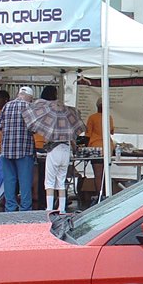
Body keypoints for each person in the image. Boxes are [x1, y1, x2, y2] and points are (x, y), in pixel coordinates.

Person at [33, 85, 84, 218]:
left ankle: (49, 208)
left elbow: (48, 137)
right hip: (66, 150)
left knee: (49, 181)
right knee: (61, 180)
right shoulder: (67, 117)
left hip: (54, 150)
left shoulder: (51, 117)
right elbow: (73, 138)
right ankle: (61, 209)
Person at [0, 86, 35, 211]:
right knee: (25, 181)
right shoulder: (29, 107)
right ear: (29, 97)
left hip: (7, 150)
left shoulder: (7, 106)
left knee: (9, 181)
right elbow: (34, 128)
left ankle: (10, 208)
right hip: (24, 150)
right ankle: (25, 209)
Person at [84, 97, 114, 199]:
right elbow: (111, 131)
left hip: (95, 148)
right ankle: (107, 194)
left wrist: (84, 148)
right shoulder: (108, 117)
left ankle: (99, 196)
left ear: (97, 106)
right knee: (105, 174)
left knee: (98, 174)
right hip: (108, 148)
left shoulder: (92, 118)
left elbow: (87, 135)